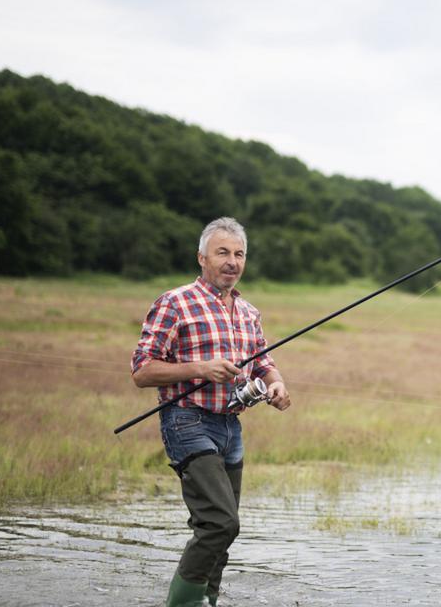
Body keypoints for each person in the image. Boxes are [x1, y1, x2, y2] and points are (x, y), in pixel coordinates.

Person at [131, 216, 291, 607]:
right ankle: (182, 604)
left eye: (239, 254)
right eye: (222, 252)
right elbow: (142, 370)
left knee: (219, 529)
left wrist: (276, 383)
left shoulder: (249, 312)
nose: (232, 261)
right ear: (202, 257)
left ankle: (208, 600)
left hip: (230, 426)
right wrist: (200, 368)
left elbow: (263, 361)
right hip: (185, 420)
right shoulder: (175, 302)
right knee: (222, 522)